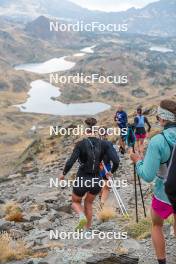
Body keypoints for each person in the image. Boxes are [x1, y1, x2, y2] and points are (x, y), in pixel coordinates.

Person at [130, 99, 176, 264]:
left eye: (158, 117)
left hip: (164, 193)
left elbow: (147, 175)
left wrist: (137, 161)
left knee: (157, 225)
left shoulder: (158, 141)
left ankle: (162, 262)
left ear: (163, 119)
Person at [60, 118, 120, 231]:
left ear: (85, 130)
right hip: (96, 180)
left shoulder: (80, 144)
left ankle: (81, 216)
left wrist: (63, 174)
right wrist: (111, 172)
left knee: (75, 202)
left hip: (82, 178)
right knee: (88, 203)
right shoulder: (105, 144)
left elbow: (71, 161)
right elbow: (116, 161)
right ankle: (87, 230)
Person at [99, 128, 120, 206]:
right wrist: (112, 171)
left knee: (101, 183)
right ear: (106, 134)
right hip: (105, 166)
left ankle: (101, 198)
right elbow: (115, 160)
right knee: (106, 187)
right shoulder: (108, 144)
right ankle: (102, 202)